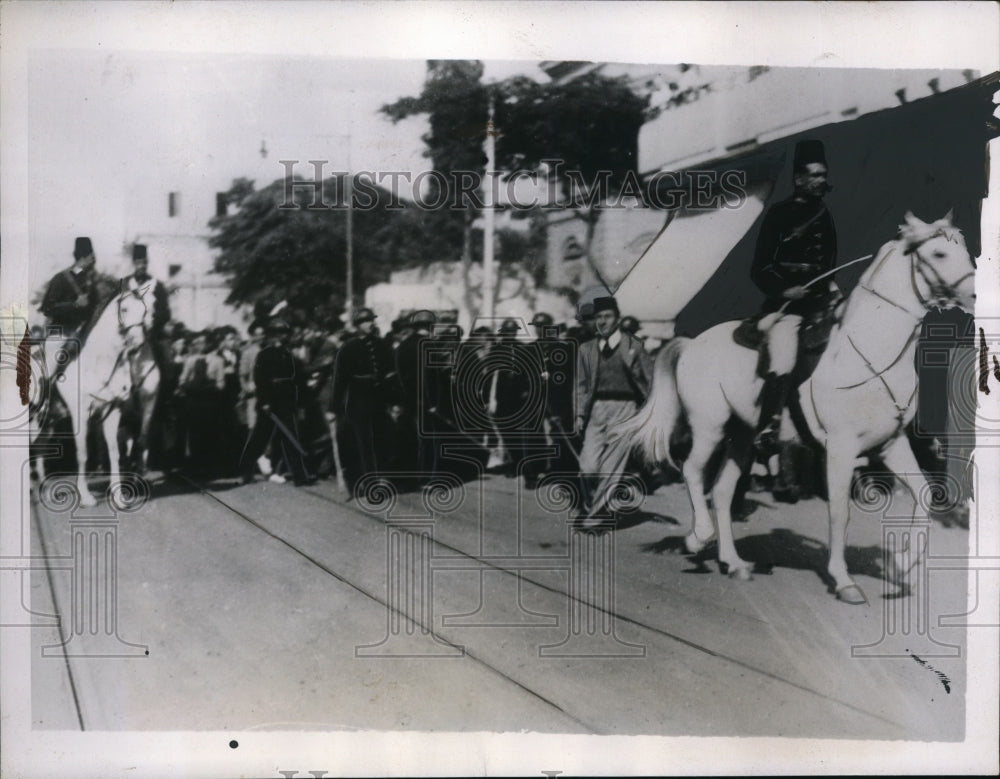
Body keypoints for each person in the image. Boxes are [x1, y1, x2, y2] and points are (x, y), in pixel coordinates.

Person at [750, 139, 838, 455]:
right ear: (798, 179)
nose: (819, 181)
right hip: (787, 308)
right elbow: (759, 268)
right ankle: (768, 426)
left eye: (822, 175)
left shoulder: (825, 214)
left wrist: (833, 289)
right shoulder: (779, 213)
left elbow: (828, 265)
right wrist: (784, 289)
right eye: (813, 175)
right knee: (784, 360)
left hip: (819, 303)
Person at [575, 296, 653, 525]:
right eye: (598, 317)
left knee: (611, 467)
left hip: (626, 409)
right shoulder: (586, 349)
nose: (602, 321)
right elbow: (580, 385)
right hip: (597, 409)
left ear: (617, 319)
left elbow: (650, 380)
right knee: (587, 466)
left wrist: (649, 412)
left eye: (607, 316)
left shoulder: (634, 346)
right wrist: (580, 414)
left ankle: (595, 516)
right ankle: (592, 506)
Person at [239, 318, 314, 486]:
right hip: (269, 404)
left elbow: (298, 381)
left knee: (292, 438)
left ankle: (300, 476)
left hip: (286, 402)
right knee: (259, 440)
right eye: (276, 334)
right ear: (270, 336)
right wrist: (264, 401)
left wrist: (300, 402)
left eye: (283, 334)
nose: (279, 338)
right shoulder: (264, 355)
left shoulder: (290, 357)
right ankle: (246, 471)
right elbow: (260, 380)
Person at [330, 307, 399, 490]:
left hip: (379, 399)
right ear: (358, 325)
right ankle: (368, 480)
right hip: (358, 401)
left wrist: (394, 401)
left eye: (371, 320)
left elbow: (392, 373)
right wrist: (334, 408)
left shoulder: (382, 345)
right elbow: (339, 380)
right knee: (362, 442)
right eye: (366, 321)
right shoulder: (347, 348)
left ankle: (382, 476)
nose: (371, 324)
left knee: (382, 439)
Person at [40, 236, 101, 361]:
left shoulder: (91, 282)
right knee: (49, 373)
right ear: (83, 258)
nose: (94, 261)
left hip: (82, 337)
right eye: (91, 257)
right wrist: (74, 305)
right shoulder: (60, 279)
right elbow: (47, 308)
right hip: (59, 337)